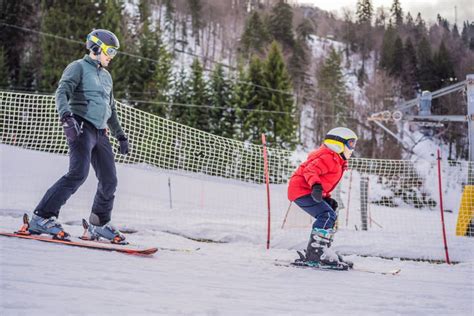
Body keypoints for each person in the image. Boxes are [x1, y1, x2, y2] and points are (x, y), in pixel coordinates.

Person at [28, 29, 129, 243]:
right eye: (110, 50)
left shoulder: (107, 76)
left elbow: (111, 108)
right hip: (80, 126)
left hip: (100, 132)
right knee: (78, 173)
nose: (112, 56)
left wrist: (120, 135)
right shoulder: (78, 67)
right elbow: (62, 92)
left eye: (115, 52)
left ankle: (98, 224)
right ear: (95, 47)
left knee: (109, 180)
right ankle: (42, 216)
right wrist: (66, 117)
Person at [287, 127, 357, 269]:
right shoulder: (329, 157)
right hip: (301, 190)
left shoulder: (336, 160)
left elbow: (324, 179)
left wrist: (326, 196)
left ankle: (324, 250)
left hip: (307, 189)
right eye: (350, 143)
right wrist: (316, 186)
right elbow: (310, 170)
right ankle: (316, 253)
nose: (352, 148)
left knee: (330, 213)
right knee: (326, 215)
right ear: (338, 143)